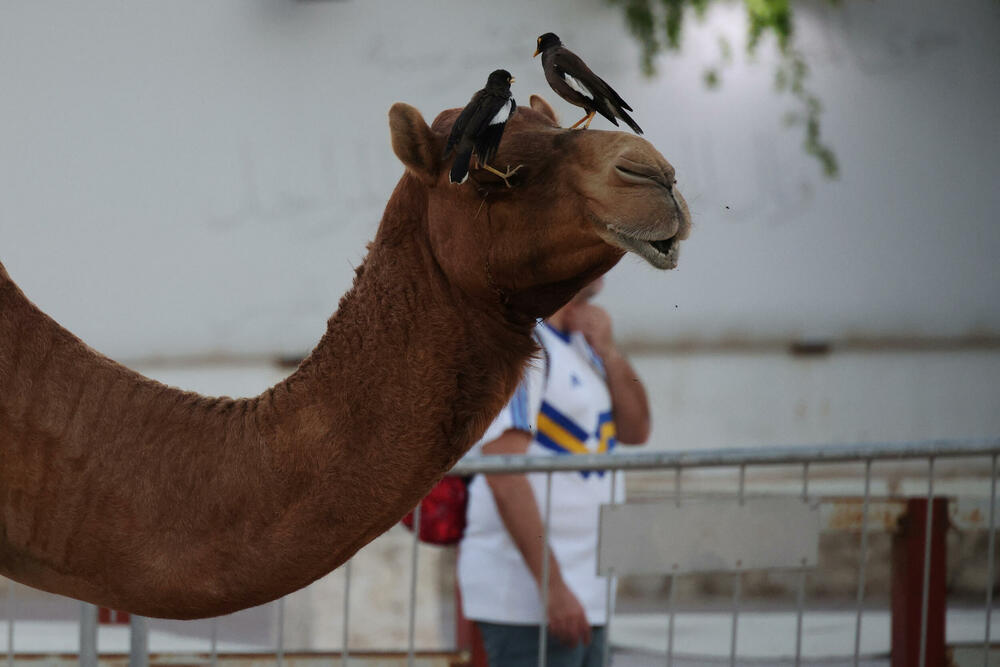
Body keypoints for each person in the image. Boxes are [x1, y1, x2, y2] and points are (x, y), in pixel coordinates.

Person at [458, 276, 650, 667]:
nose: (606, 259)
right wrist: (554, 587)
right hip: (530, 600)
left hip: (587, 594)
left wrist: (611, 353)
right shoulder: (525, 344)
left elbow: (636, 430)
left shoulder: (583, 343)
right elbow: (504, 471)